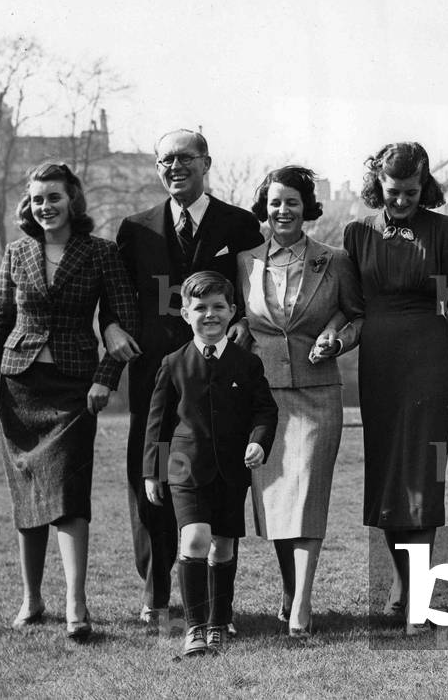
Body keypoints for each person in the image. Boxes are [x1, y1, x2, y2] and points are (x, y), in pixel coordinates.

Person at [0, 161, 138, 641]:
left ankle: (76, 605)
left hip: (74, 389)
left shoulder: (100, 253)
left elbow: (125, 319)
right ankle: (31, 599)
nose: (45, 206)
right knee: (27, 495)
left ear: (73, 201)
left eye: (54, 197)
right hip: (19, 385)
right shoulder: (17, 252)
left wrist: (105, 379)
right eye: (37, 198)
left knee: (68, 496)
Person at [106, 129, 264, 626]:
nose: (174, 167)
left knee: (214, 477)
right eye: (164, 161)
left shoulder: (240, 224)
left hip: (220, 374)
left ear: (206, 163)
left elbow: (254, 292)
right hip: (156, 372)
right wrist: (110, 325)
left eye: (184, 159)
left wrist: (243, 323)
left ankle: (217, 603)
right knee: (151, 474)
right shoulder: (136, 229)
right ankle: (156, 595)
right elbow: (118, 295)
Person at [343, 142, 448, 634]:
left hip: (429, 359)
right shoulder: (356, 233)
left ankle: (417, 598)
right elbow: (353, 309)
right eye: (392, 192)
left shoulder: (447, 231)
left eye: (411, 192)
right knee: (387, 479)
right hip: (378, 363)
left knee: (420, 477)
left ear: (426, 186)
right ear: (377, 184)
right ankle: (404, 584)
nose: (401, 201)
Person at [237, 166, 364, 637]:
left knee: (307, 495)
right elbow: (238, 320)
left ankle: (302, 605)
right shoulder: (246, 261)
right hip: (261, 397)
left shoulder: (333, 259)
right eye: (274, 203)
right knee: (273, 499)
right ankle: (289, 593)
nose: (283, 210)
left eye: (292, 202)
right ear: (264, 208)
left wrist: (336, 338)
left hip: (317, 393)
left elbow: (356, 317)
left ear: (306, 207)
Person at [143, 271, 278, 657]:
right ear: (185, 313)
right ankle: (195, 628)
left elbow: (265, 411)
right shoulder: (172, 364)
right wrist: (154, 471)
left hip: (232, 470)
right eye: (200, 308)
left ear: (232, 311)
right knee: (195, 538)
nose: (210, 315)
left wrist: (258, 443)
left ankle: (220, 620)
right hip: (185, 467)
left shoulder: (247, 364)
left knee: (222, 547)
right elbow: (159, 424)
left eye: (218, 307)